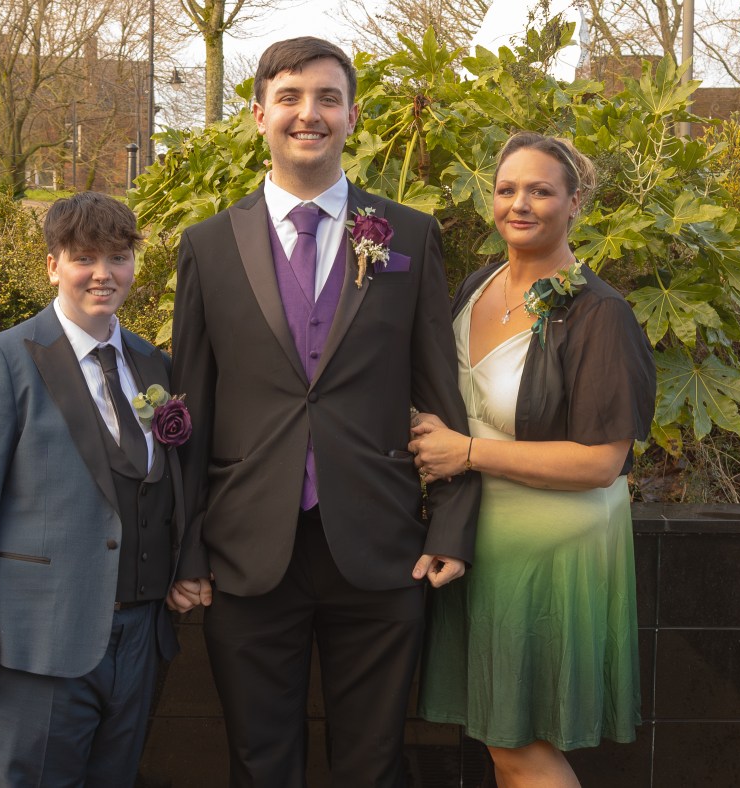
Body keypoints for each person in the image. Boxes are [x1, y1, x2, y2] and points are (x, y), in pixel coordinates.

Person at [169, 36, 481, 787]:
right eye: (289, 97)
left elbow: (441, 394)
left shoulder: (409, 235)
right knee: (259, 764)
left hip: (380, 546)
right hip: (246, 553)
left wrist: (451, 524)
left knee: (374, 766)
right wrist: (186, 547)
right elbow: (190, 408)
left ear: (352, 116)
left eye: (327, 98)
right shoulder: (207, 247)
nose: (308, 113)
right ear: (259, 115)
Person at [410, 131, 656, 787]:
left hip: (550, 549)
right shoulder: (477, 286)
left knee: (519, 747)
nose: (519, 204)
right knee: (502, 743)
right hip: (480, 534)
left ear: (574, 203)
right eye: (507, 189)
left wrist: (465, 452)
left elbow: (602, 463)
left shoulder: (599, 314)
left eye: (540, 191)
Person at [0, 192, 184, 786]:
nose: (103, 273)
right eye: (84, 258)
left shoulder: (153, 364)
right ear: (53, 266)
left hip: (139, 641)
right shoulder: (0, 360)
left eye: (118, 257)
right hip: (34, 647)